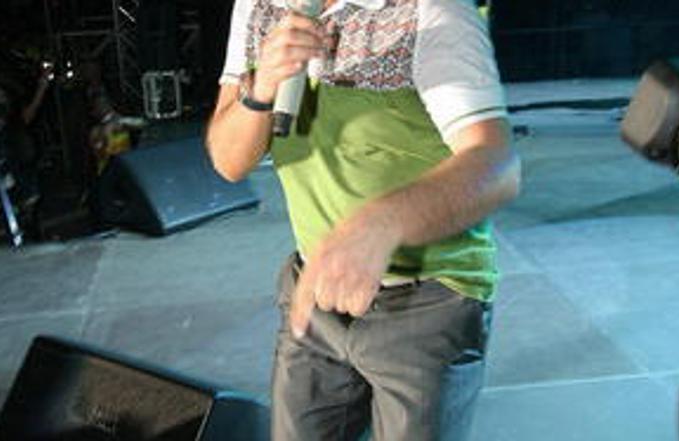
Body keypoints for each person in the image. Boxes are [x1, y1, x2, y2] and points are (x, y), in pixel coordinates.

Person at [206, 0, 521, 439]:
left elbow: (497, 165)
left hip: (429, 299)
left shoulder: (432, 9)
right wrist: (261, 88)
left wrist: (381, 224)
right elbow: (228, 161)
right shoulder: (259, 6)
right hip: (315, 287)